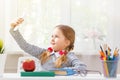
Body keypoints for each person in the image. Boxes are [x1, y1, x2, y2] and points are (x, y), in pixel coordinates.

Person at [10, 18, 87, 72]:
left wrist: (67, 70)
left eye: (56, 36)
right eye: (52, 36)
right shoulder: (44, 53)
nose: (52, 39)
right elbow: (25, 46)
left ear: (67, 42)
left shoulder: (69, 56)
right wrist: (14, 29)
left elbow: (81, 67)